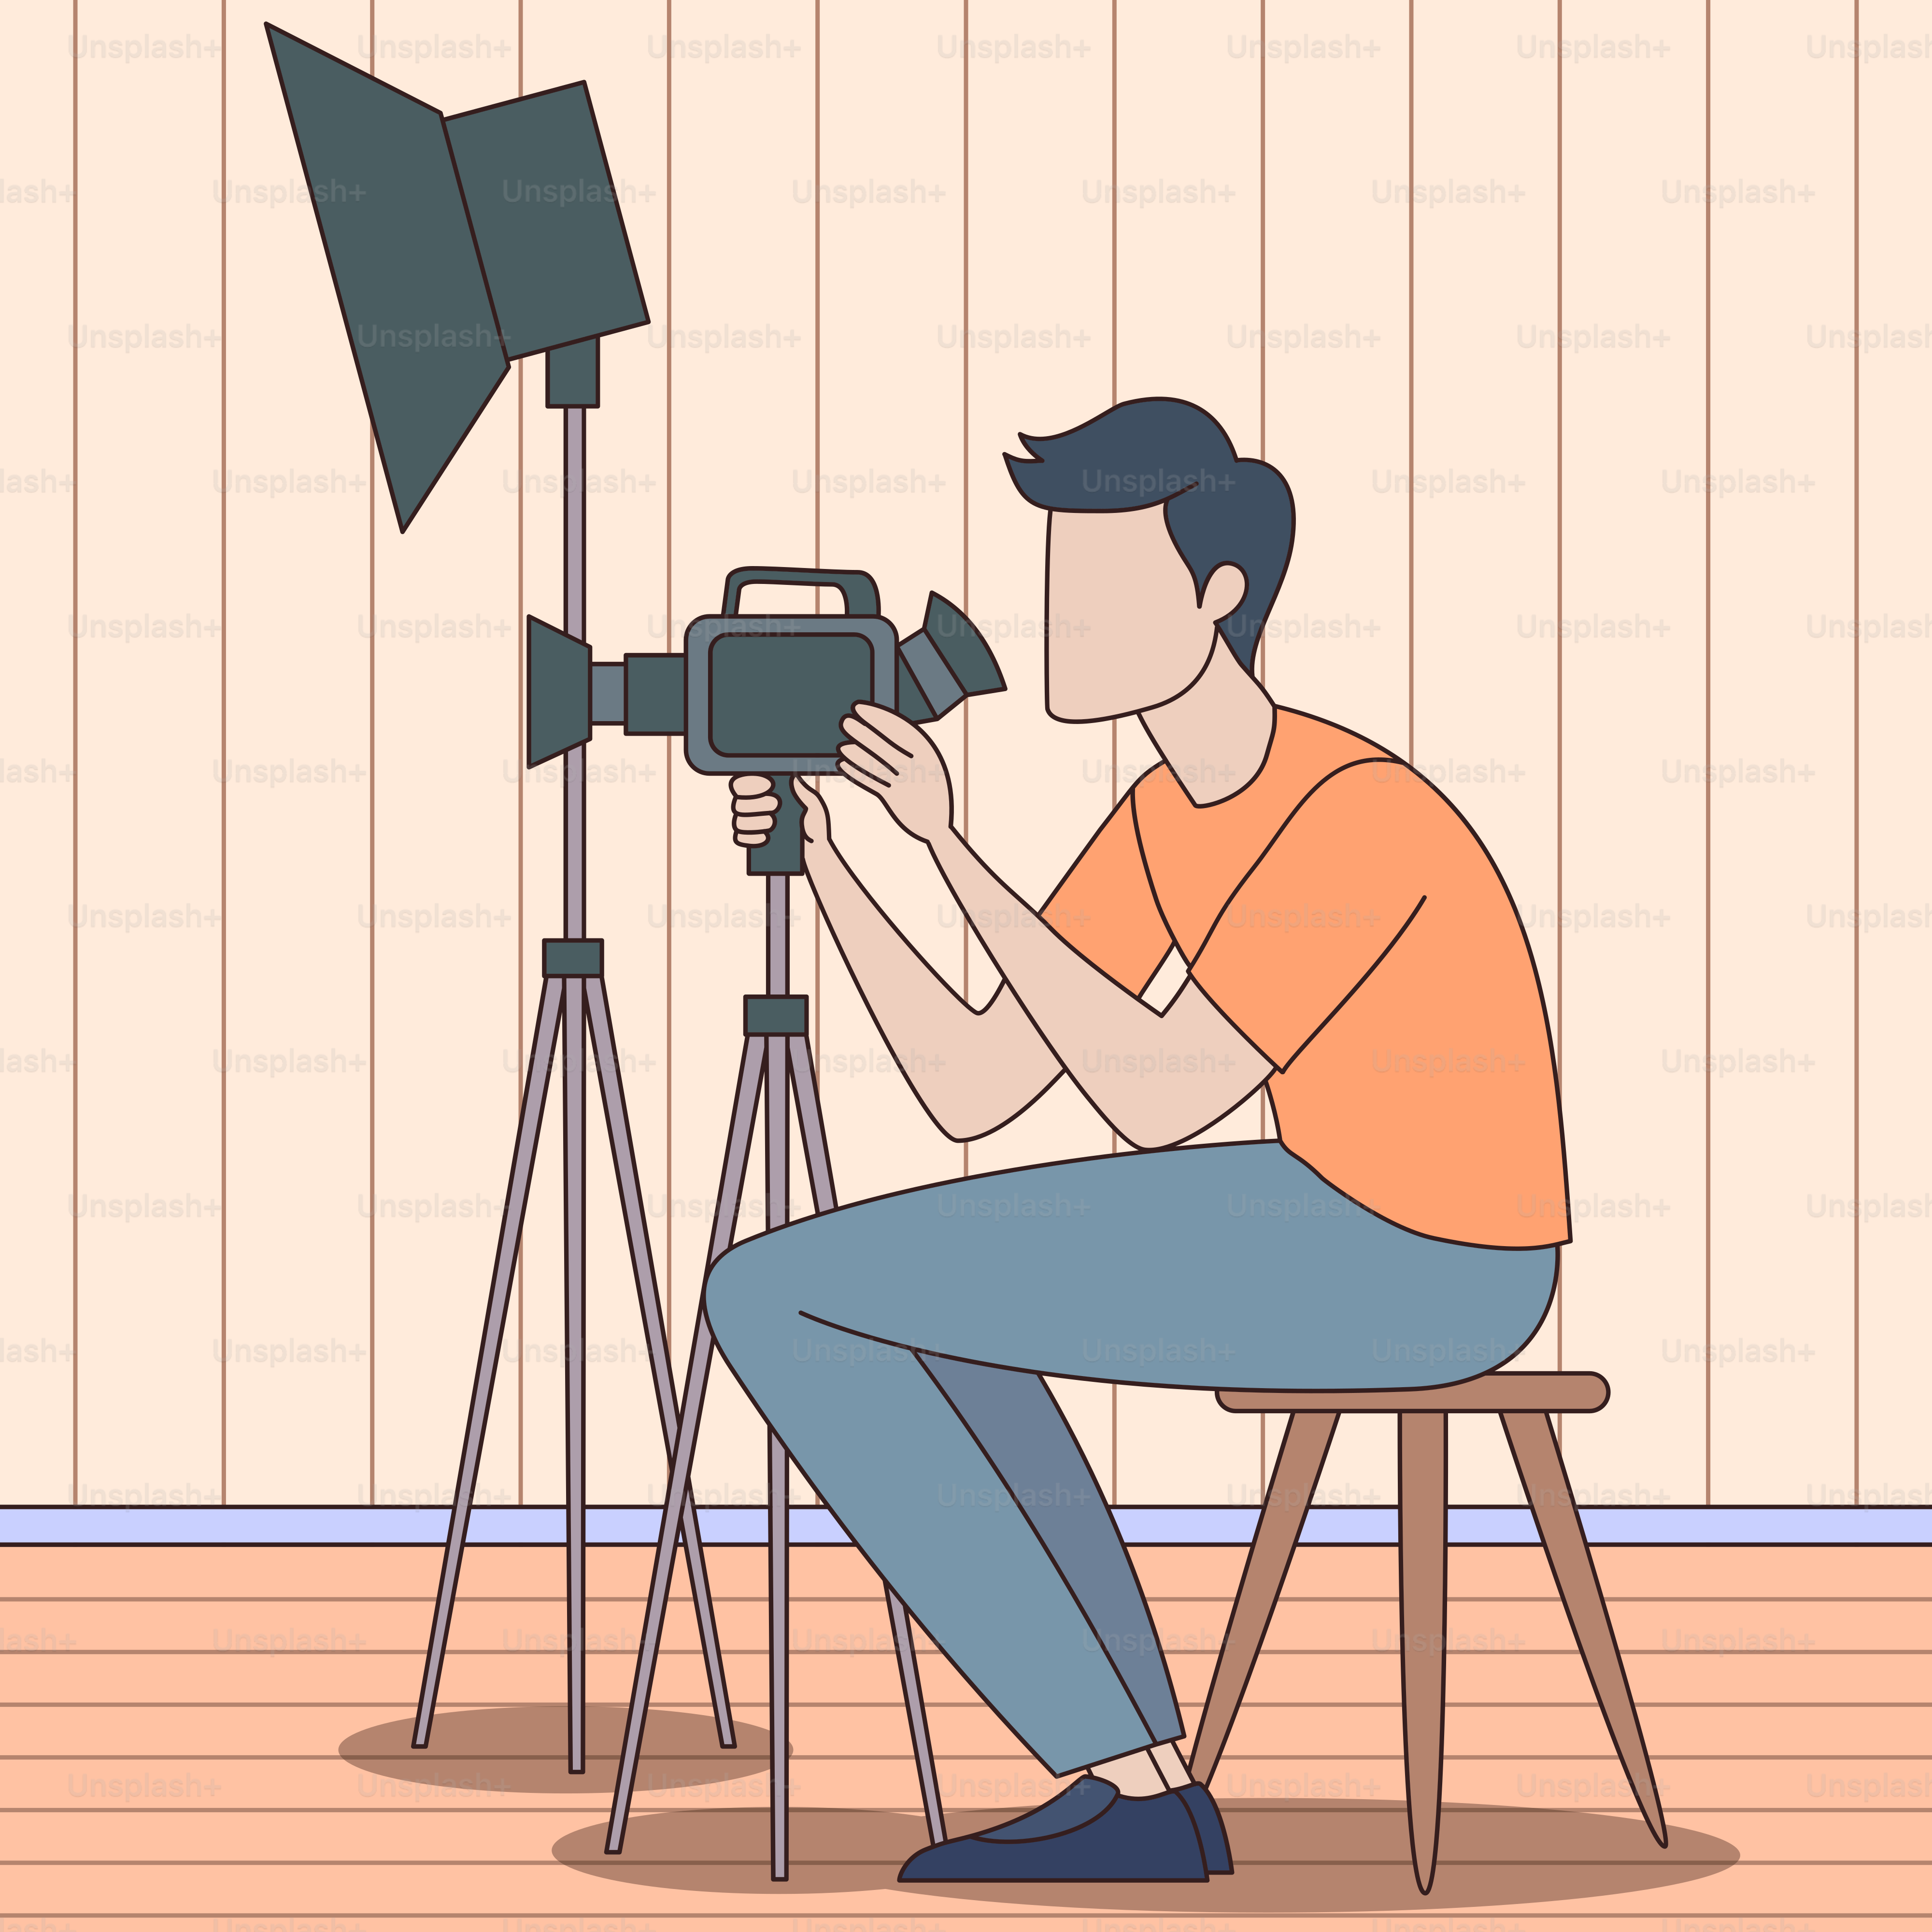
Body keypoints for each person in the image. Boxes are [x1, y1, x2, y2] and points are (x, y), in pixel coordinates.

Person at [716, 397, 1569, 1884]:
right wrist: (832, 857)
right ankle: (1137, 1774)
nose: (1058, 626)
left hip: (1433, 1254)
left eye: (1099, 593)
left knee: (771, 1293)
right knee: (872, 1296)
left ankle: (1119, 1771)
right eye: (1055, 586)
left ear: (1218, 597)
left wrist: (949, 848)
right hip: (1318, 1206)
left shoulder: (1352, 812)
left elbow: (1163, 1097)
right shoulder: (1163, 810)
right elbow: (976, 1081)